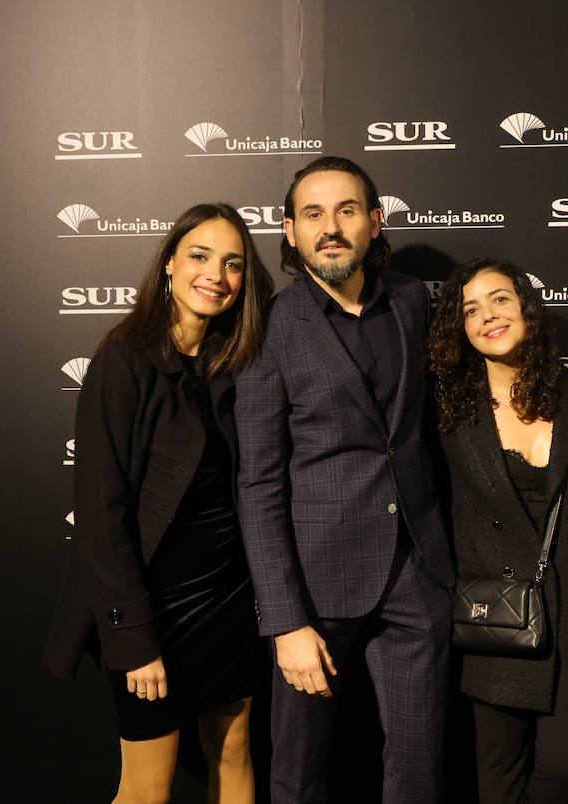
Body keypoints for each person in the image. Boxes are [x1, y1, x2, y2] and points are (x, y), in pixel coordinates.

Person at [236, 156, 455, 804]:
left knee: (419, 770)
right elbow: (258, 484)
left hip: (418, 573)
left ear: (376, 221)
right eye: (313, 214)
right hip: (315, 588)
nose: (331, 228)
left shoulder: (416, 301)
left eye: (347, 210)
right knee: (299, 774)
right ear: (290, 231)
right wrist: (284, 622)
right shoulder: (270, 328)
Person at [42, 203, 273, 804]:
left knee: (234, 754)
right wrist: (133, 637)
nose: (216, 276)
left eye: (233, 264)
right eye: (200, 256)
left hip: (227, 602)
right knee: (148, 788)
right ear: (169, 263)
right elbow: (101, 517)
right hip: (153, 611)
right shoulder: (122, 361)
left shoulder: (235, 364)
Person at [428, 259, 568, 803]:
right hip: (498, 616)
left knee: (565, 767)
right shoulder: (449, 410)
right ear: (460, 329)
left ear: (525, 308)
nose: (487, 316)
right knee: (498, 778)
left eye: (499, 299)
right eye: (470, 309)